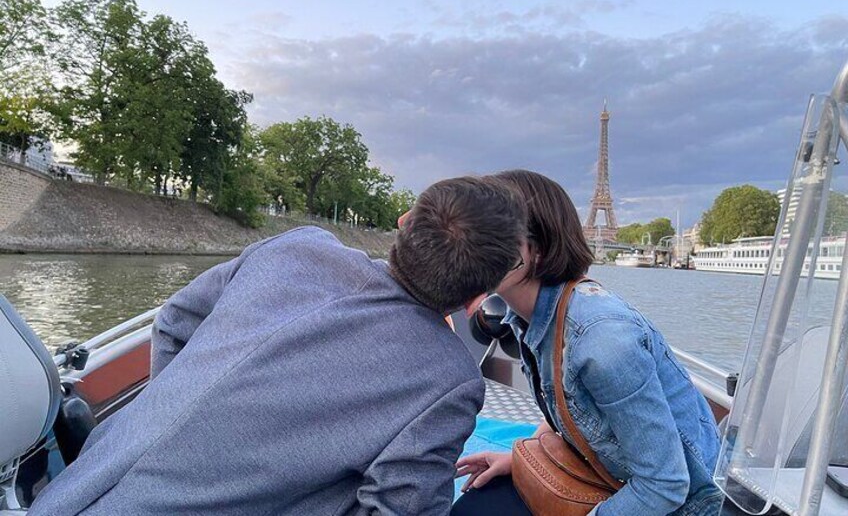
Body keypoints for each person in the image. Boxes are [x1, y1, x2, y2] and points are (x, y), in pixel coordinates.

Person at [30, 176, 528, 516]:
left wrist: (187, 407)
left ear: (403, 222)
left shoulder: (295, 247)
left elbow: (176, 320)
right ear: (481, 294)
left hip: (72, 492)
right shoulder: (449, 382)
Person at [453, 170, 723, 516]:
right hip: (607, 474)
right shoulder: (526, 315)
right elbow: (572, 408)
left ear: (539, 247)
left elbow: (666, 486)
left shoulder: (603, 340)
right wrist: (521, 460)